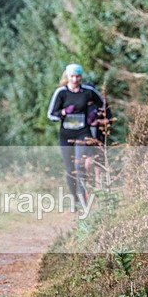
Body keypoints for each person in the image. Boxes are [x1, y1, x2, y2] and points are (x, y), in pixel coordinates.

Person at [47, 63, 108, 205]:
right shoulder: (61, 93)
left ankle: (83, 199)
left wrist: (95, 115)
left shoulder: (88, 92)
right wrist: (63, 112)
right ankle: (74, 199)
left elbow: (103, 104)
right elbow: (51, 114)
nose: (75, 79)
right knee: (69, 169)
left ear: (81, 77)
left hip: (83, 133)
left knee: (79, 166)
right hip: (66, 135)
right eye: (72, 76)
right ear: (67, 77)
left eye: (78, 76)